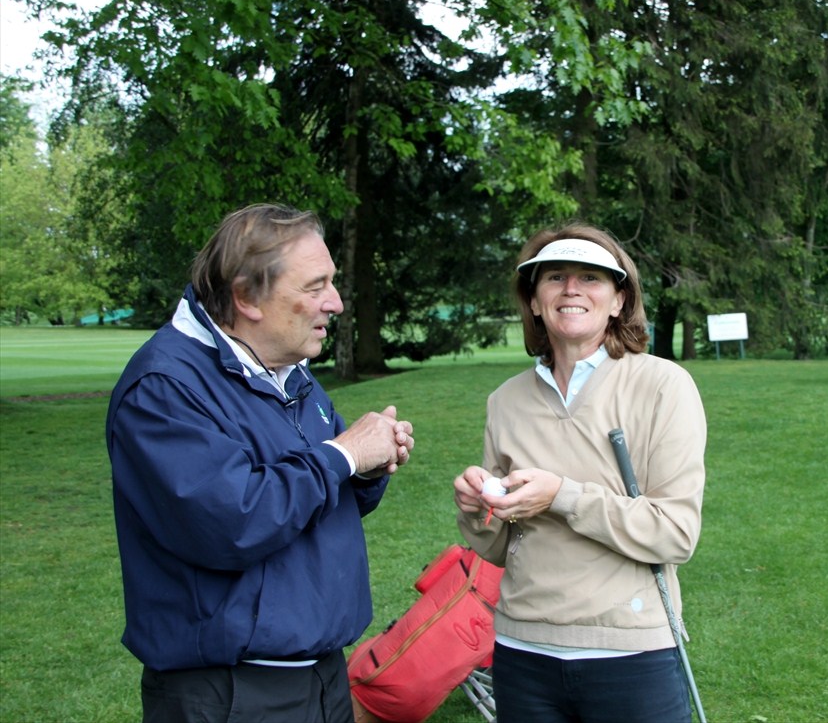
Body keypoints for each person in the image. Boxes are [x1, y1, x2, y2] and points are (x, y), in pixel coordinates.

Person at [105, 203, 415, 723]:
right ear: (246, 296)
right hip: (232, 694)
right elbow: (232, 521)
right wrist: (343, 454)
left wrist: (363, 470)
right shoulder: (164, 388)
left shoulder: (287, 370)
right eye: (315, 287)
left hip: (322, 679)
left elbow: (313, 495)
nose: (336, 302)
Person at [453, 224, 707, 723]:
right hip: (522, 650)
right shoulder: (505, 400)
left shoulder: (664, 386)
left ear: (618, 300)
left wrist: (561, 497)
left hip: (632, 653)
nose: (571, 289)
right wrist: (477, 508)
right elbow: (501, 547)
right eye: (555, 277)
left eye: (591, 277)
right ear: (534, 300)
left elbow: (676, 534)